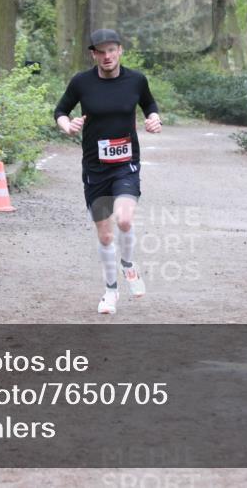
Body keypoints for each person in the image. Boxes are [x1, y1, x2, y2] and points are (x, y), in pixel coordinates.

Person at [53, 28, 162, 315]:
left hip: (125, 164)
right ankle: (110, 292)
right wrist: (67, 126)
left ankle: (128, 265)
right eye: (100, 51)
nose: (106, 56)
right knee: (104, 236)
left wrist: (154, 118)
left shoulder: (136, 80)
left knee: (124, 220)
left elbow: (149, 103)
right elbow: (60, 110)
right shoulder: (82, 82)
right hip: (94, 168)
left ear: (120, 50)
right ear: (93, 55)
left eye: (111, 50)